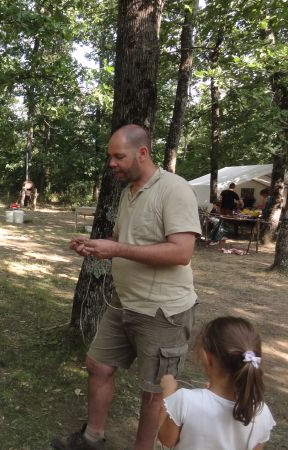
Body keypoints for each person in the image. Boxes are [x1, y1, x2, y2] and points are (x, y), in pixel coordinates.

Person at [54, 124, 201, 450]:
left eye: (118, 156)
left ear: (143, 153)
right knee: (98, 365)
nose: (112, 163)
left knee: (153, 392)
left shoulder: (174, 190)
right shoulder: (128, 193)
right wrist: (96, 245)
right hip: (124, 303)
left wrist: (117, 250)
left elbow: (182, 252)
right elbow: (124, 241)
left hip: (164, 312)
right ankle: (92, 438)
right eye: (111, 156)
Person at [158, 316, 276, 449]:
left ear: (207, 358)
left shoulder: (184, 400)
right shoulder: (261, 412)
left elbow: (166, 440)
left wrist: (167, 395)